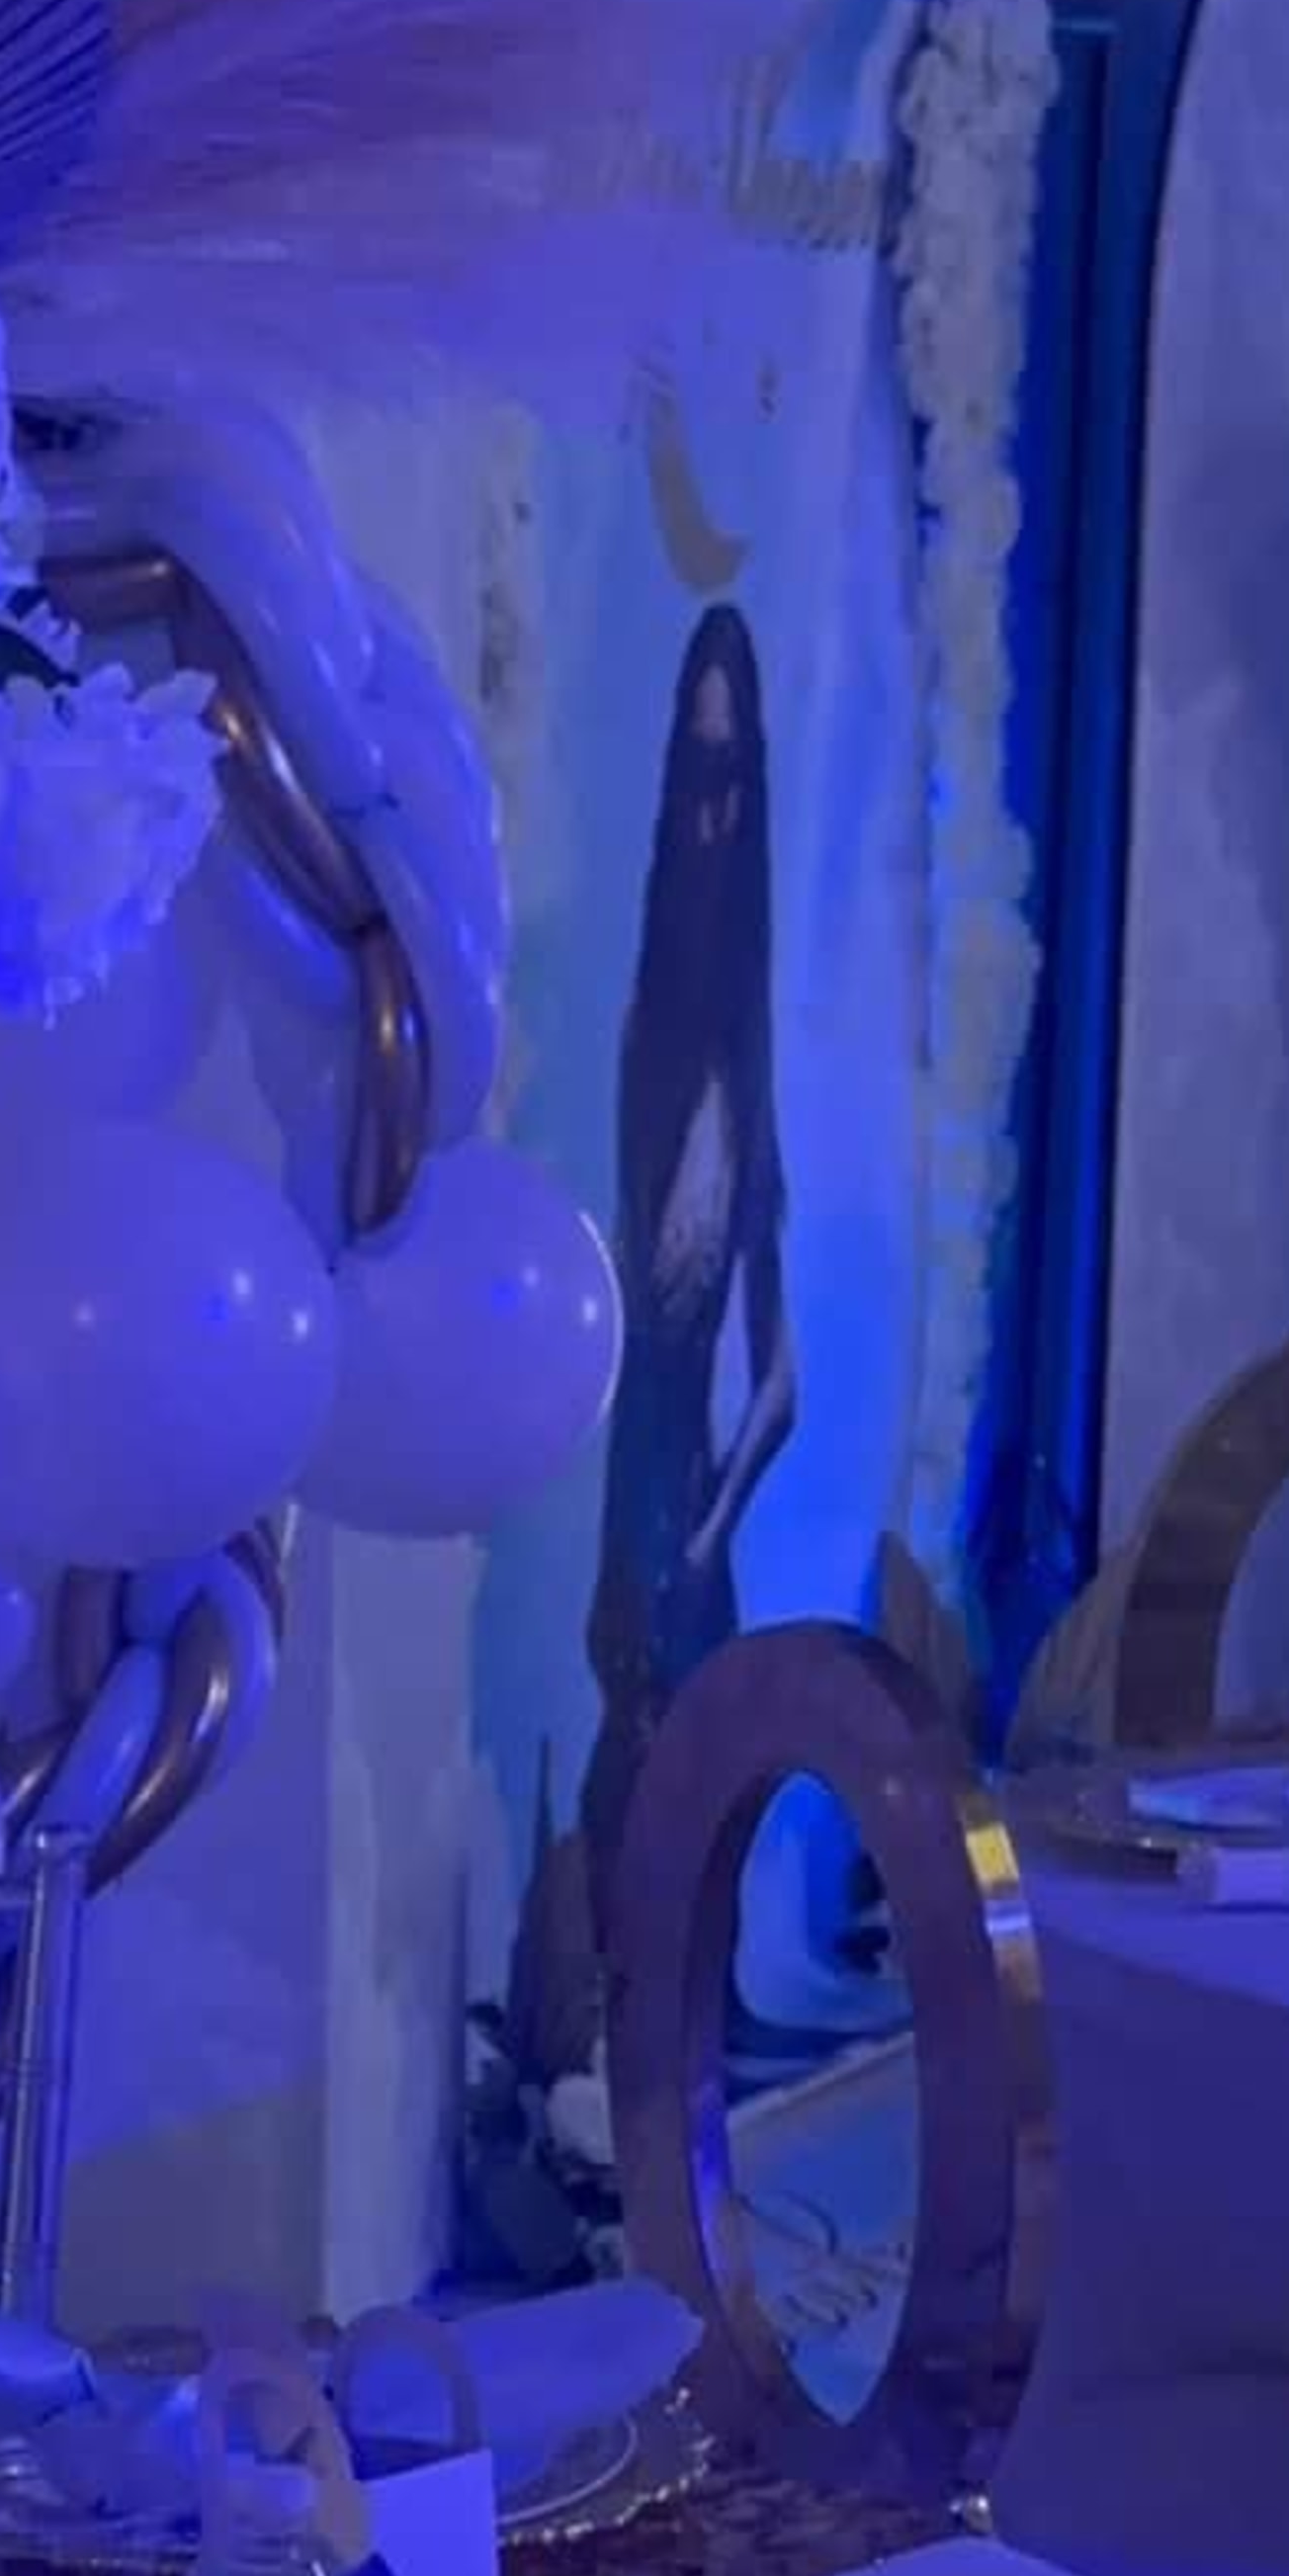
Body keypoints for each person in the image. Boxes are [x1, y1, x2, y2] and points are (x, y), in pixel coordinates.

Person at [581, 603, 796, 1890]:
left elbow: (783, 1384)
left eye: (733, 781)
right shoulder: (649, 1035)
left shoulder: (742, 1072)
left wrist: (708, 1537)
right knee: (629, 1804)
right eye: (694, 777)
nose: (710, 815)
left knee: (675, 1819)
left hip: (684, 1510)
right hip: (634, 1488)